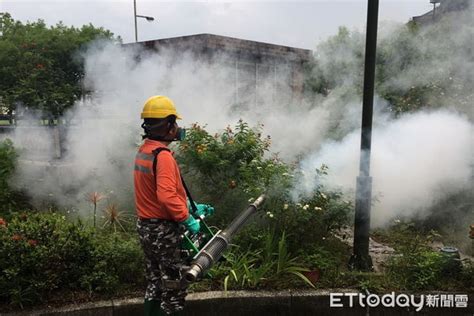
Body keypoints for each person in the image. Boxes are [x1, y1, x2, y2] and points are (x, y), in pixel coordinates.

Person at [134, 95, 199, 316]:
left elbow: (153, 193)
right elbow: (166, 196)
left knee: (155, 283)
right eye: (175, 123)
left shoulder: (145, 151)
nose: (178, 128)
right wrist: (187, 218)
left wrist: (192, 206)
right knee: (174, 287)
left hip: (146, 227)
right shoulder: (163, 156)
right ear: (168, 125)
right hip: (163, 231)